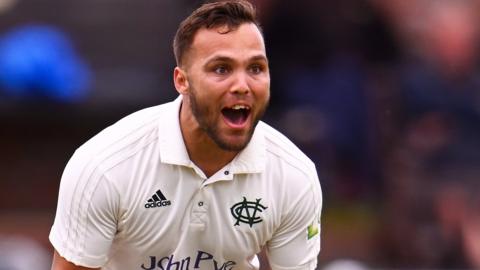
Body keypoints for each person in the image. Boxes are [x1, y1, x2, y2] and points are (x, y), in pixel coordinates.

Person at [49, 1, 323, 269]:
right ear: (182, 81)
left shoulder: (294, 175)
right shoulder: (104, 165)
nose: (242, 85)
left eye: (255, 68)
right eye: (221, 69)